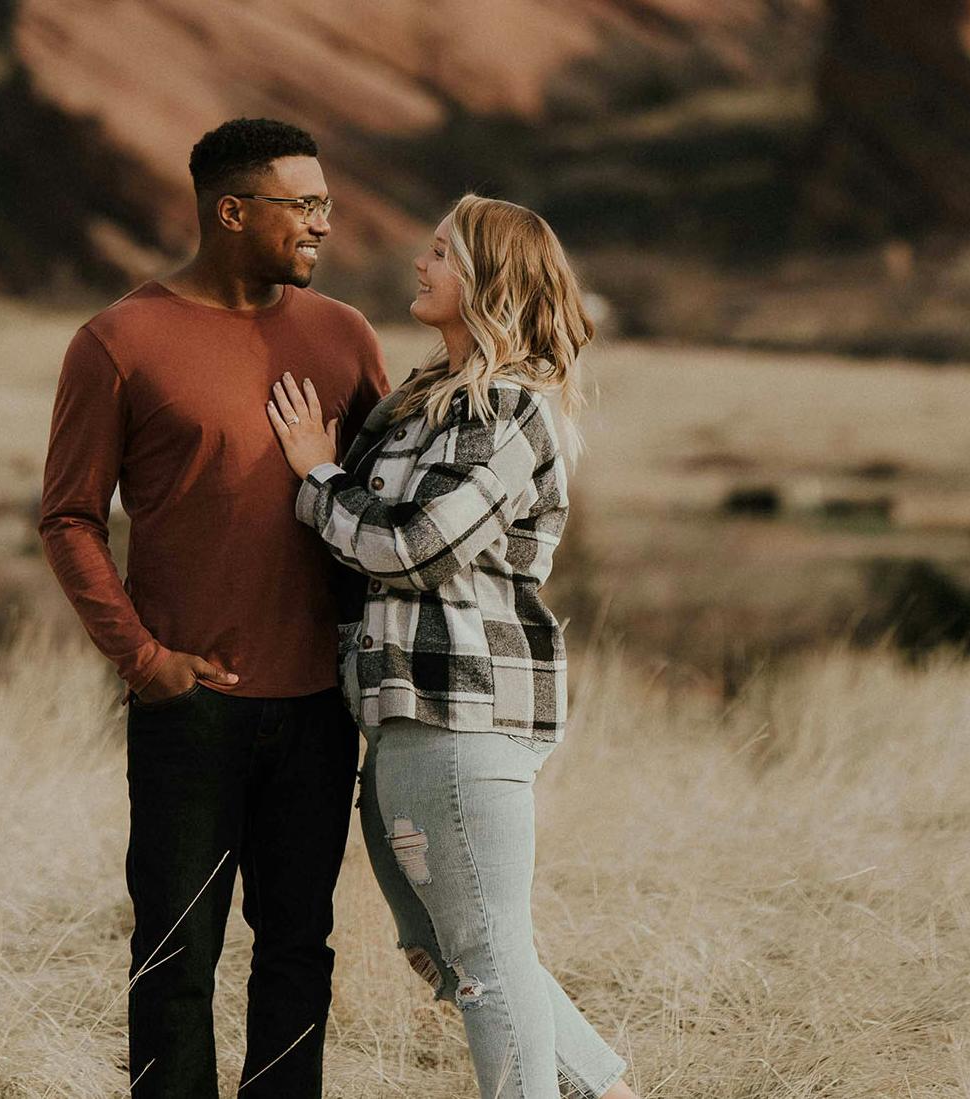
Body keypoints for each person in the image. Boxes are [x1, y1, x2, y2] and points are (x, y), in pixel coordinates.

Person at [38, 117, 389, 1098]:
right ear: (232, 212)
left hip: (320, 705)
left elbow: (386, 505)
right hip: (189, 709)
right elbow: (68, 516)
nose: (323, 223)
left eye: (326, 203)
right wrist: (145, 661)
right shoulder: (118, 341)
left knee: (298, 950)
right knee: (175, 957)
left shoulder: (344, 335)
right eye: (303, 204)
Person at [266, 194, 638, 1099]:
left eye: (442, 251)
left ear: (487, 280)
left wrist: (317, 473)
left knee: (484, 953)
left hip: (462, 709)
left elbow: (415, 546)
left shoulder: (506, 407)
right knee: (444, 946)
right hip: (404, 713)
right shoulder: (426, 400)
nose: (420, 262)